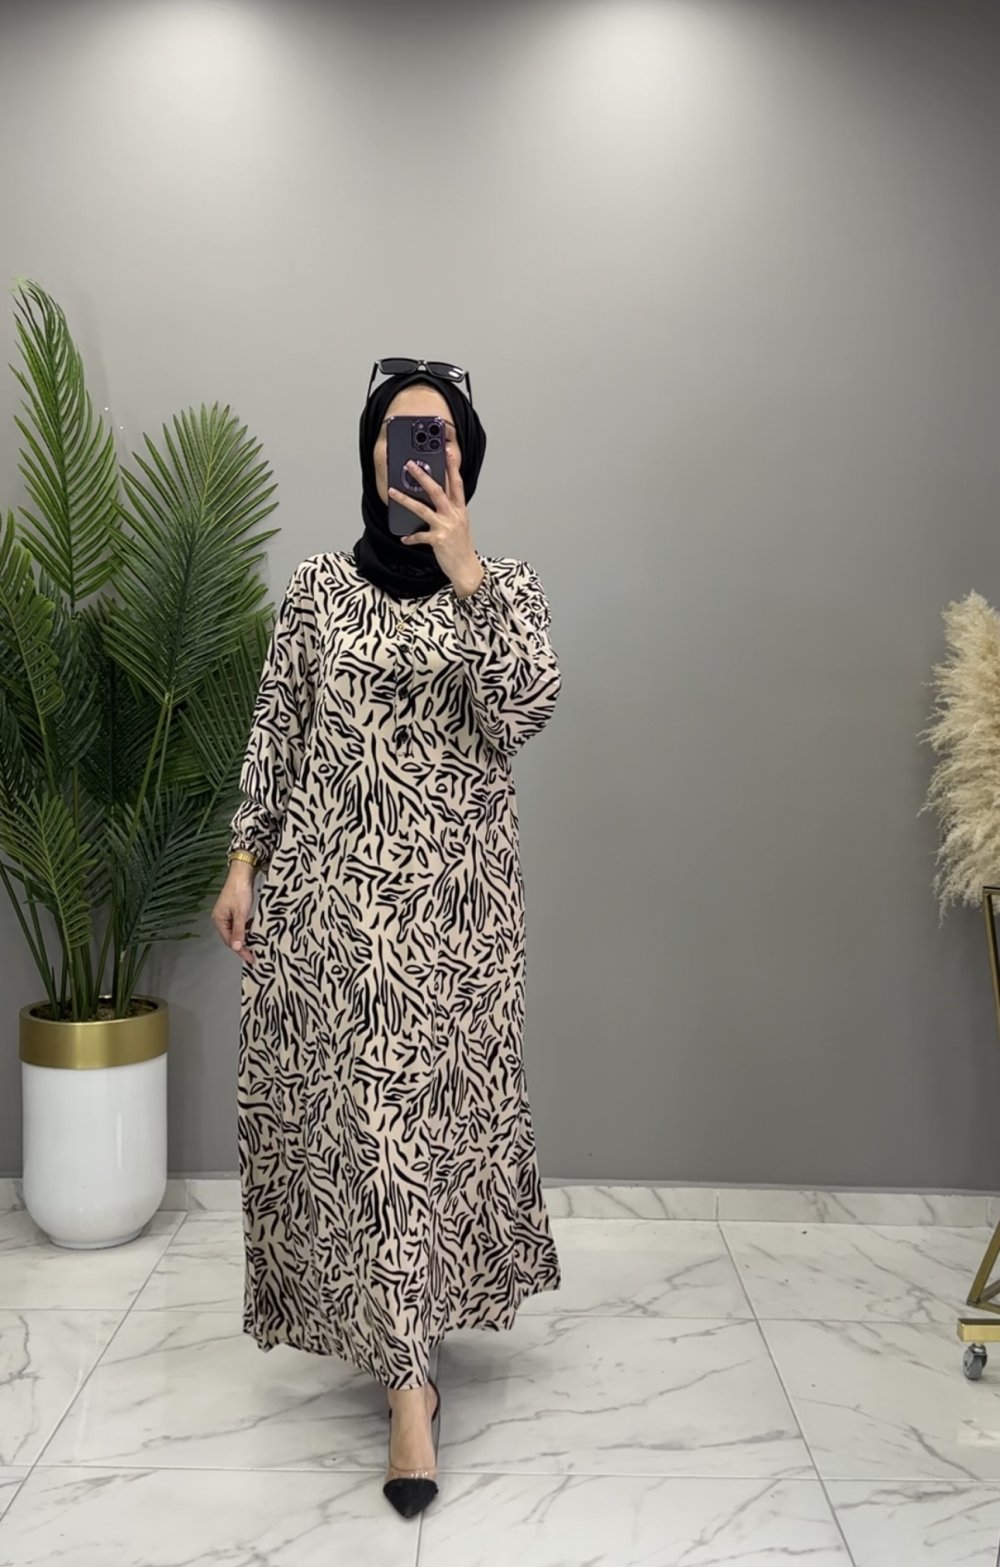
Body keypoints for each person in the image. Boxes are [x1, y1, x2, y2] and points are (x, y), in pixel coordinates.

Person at [211, 358, 562, 1519]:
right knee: (366, 1133)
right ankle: (409, 1384)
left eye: (438, 434)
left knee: (427, 1133)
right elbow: (278, 724)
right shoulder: (316, 587)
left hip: (456, 916)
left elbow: (524, 709)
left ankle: (411, 1367)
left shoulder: (502, 586)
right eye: (398, 433)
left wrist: (467, 575)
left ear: (464, 457)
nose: (418, 450)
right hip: (331, 909)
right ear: (370, 456)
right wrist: (244, 857)